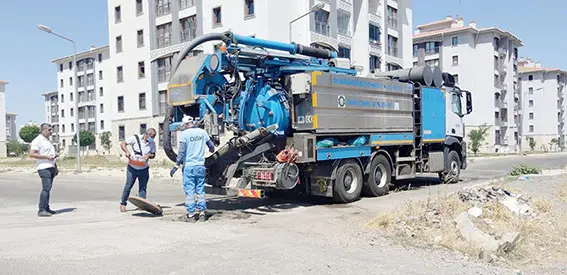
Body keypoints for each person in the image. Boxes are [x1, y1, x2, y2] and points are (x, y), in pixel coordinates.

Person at [170, 116, 215, 222]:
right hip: (200, 166)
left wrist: (176, 165)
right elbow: (211, 146)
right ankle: (202, 213)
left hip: (189, 167)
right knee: (200, 190)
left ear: (185, 125)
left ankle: (191, 215)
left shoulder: (184, 134)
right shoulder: (202, 132)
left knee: (190, 192)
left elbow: (181, 152)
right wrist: (211, 150)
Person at [119, 128, 157, 212]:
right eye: (151, 137)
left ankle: (142, 205)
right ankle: (123, 203)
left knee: (143, 188)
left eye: (154, 137)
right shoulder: (135, 138)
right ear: (146, 135)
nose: (152, 139)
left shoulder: (152, 143)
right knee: (128, 186)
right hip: (132, 167)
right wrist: (126, 152)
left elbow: (153, 154)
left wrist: (149, 155)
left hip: (144, 168)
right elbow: (123, 143)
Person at [29, 123, 58, 217]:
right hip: (43, 167)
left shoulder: (47, 141)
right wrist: (46, 157)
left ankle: (46, 207)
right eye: (49, 130)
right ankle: (41, 209)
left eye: (51, 129)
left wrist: (55, 167)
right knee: (46, 188)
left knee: (48, 189)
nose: (51, 131)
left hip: (51, 166)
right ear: (43, 130)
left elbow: (51, 155)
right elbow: (32, 154)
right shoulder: (37, 140)